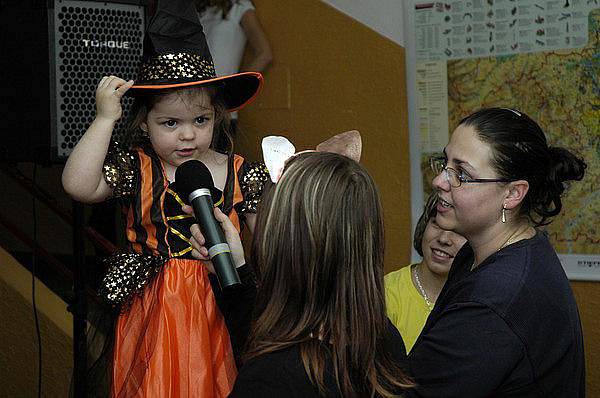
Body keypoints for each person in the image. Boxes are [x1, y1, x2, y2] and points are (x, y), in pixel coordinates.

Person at [61, 0, 269, 396]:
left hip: (224, 308)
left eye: (200, 120)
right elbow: (78, 185)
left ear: (218, 116)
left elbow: (270, 246)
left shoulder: (243, 171)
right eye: (170, 123)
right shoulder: (138, 167)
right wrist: (106, 118)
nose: (187, 135)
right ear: (144, 122)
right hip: (155, 313)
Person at [189, 141, 413, 397]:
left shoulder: (272, 378)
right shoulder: (385, 342)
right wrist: (236, 272)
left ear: (283, 247)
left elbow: (273, 361)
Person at [406, 108, 586, 397]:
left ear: (512, 194)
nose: (439, 181)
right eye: (445, 163)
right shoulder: (480, 254)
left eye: (462, 174)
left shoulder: (495, 299)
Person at [385, 192, 466, 352]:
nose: (443, 239)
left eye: (458, 231)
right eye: (437, 223)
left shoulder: (475, 300)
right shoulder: (385, 293)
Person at [195, 0, 273, 150]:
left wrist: (233, 90)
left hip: (222, 108)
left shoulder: (239, 7)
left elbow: (265, 54)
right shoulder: (199, 12)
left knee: (219, 164)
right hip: (195, 104)